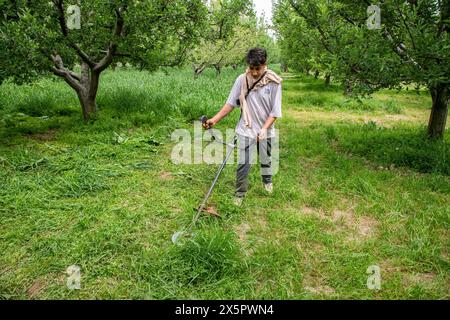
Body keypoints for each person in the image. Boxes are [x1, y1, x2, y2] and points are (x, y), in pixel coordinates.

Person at [202, 47, 282, 206]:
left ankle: (267, 181)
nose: (254, 73)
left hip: (265, 130)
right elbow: (231, 103)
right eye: (251, 68)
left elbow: (275, 111)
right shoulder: (242, 80)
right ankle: (239, 194)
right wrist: (215, 119)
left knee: (265, 159)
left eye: (257, 69)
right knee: (243, 165)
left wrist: (264, 129)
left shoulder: (274, 82)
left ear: (265, 64)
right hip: (245, 129)